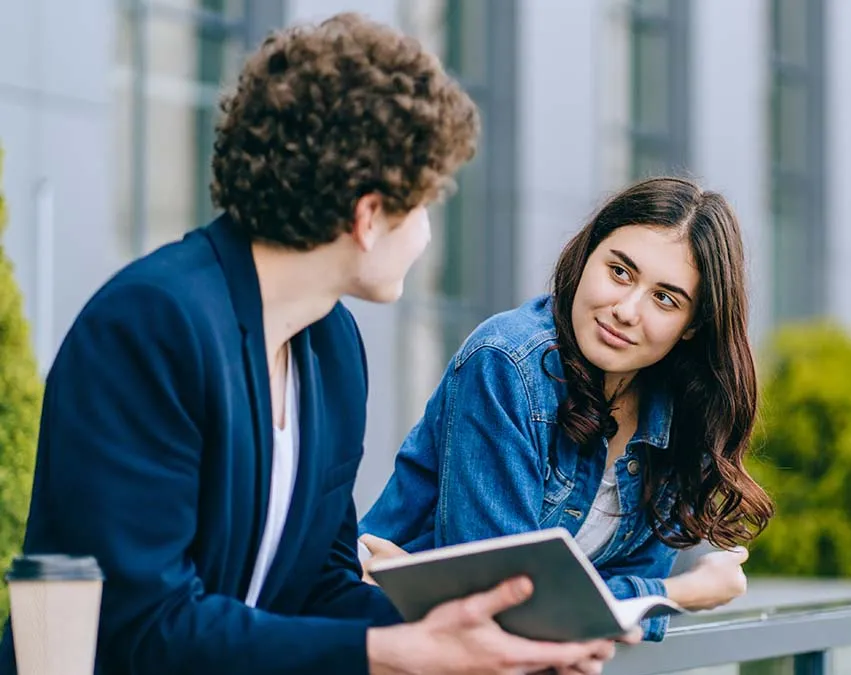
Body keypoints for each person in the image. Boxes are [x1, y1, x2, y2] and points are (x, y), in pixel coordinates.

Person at [0, 13, 621, 675]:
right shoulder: (151, 325)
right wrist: (391, 652)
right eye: (423, 206)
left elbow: (317, 587)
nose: (425, 234)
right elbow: (143, 626)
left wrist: (489, 642)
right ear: (369, 216)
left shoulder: (332, 347)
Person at [359, 176, 777, 641]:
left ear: (692, 326)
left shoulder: (682, 413)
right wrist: (682, 592)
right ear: (587, 256)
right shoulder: (507, 363)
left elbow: (609, 621)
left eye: (664, 299)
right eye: (619, 272)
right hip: (386, 638)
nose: (626, 310)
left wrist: (604, 607)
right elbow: (500, 598)